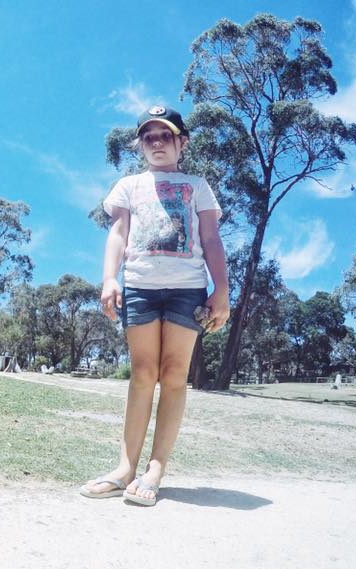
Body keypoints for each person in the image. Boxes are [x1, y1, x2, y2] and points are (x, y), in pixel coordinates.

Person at [80, 106, 230, 506]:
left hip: (187, 289)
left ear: (182, 142)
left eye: (166, 136)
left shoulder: (197, 185)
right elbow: (118, 233)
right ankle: (124, 467)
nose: (158, 143)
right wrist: (110, 279)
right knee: (143, 373)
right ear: (141, 145)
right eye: (149, 137)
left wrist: (222, 291)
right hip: (140, 287)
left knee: (174, 374)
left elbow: (212, 239)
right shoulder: (129, 185)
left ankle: (156, 468)